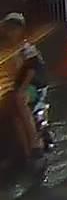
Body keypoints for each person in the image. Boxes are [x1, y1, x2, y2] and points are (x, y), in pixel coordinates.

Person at [0, 12, 44, 170]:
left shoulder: (26, 47)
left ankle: (35, 145)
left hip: (31, 87)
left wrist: (22, 89)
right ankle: (25, 153)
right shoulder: (4, 48)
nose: (11, 32)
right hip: (10, 89)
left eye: (15, 28)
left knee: (18, 101)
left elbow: (32, 70)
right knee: (12, 112)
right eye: (9, 28)